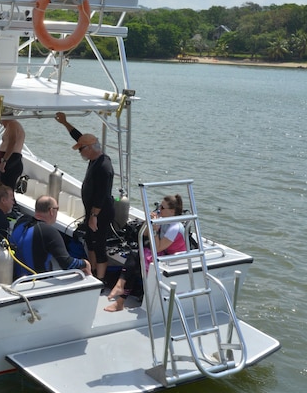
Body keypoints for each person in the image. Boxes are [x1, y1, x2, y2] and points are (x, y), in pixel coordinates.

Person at [55, 113, 114, 281]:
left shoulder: (104, 166)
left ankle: (100, 280)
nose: (79, 152)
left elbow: (102, 194)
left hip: (101, 212)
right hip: (92, 211)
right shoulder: (94, 157)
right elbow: (79, 137)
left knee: (99, 245)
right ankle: (92, 271)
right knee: (89, 240)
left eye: (81, 149)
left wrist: (94, 216)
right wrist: (65, 123)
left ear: (89, 148)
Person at [106, 194, 187, 312]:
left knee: (136, 261)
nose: (159, 209)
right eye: (159, 206)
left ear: (172, 211)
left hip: (174, 260)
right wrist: (150, 223)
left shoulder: (175, 228)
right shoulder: (163, 220)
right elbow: (144, 234)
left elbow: (157, 248)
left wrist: (155, 230)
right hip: (164, 254)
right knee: (135, 257)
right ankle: (120, 290)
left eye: (162, 208)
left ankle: (120, 295)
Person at [10, 195, 91, 279]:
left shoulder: (22, 221)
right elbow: (67, 263)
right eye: (57, 209)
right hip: (37, 282)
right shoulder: (48, 231)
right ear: (51, 211)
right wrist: (84, 263)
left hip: (16, 278)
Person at [0, 114, 25, 190]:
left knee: (5, 189)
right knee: (7, 188)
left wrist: (4, 161)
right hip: (13, 159)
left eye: (1, 120)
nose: (1, 123)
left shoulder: (12, 124)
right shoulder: (15, 125)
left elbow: (13, 142)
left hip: (10, 159)